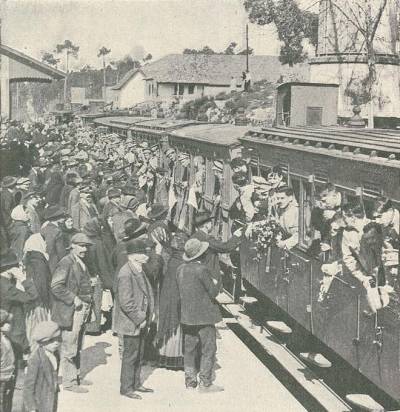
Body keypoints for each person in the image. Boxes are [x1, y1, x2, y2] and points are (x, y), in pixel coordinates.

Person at [176, 238, 223, 392]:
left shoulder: (180, 269)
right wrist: (215, 282)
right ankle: (205, 383)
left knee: (189, 349)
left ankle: (190, 381)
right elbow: (213, 292)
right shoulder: (202, 270)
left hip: (187, 317)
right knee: (208, 349)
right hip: (204, 317)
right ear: (201, 255)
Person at [51, 233, 94, 393]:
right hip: (70, 311)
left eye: (86, 246)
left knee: (77, 344)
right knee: (69, 345)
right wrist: (73, 298)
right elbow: (56, 286)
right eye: (81, 246)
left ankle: (74, 376)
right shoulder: (66, 262)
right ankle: (69, 382)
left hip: (81, 310)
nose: (85, 249)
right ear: (72, 245)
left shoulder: (79, 261)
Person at [113, 239, 155, 400]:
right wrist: (139, 318)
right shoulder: (126, 273)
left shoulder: (138, 268)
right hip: (132, 322)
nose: (147, 255)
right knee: (130, 355)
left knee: (139, 354)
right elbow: (126, 302)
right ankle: (126, 388)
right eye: (143, 253)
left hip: (141, 320)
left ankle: (136, 383)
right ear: (133, 256)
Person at [156, 231, 188, 369]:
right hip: (176, 299)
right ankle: (174, 357)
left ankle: (163, 355)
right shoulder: (182, 262)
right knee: (176, 326)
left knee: (166, 322)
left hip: (166, 296)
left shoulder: (171, 259)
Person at [190, 211, 242, 288]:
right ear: (206, 225)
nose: (212, 225)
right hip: (206, 277)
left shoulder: (194, 236)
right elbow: (225, 247)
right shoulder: (207, 239)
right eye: (211, 223)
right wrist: (236, 236)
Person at [23, 233, 53, 354]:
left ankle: (33, 352)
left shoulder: (29, 257)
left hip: (32, 298)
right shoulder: (39, 261)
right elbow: (42, 283)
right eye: (43, 242)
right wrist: (47, 302)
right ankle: (39, 353)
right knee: (40, 326)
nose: (45, 244)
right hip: (40, 300)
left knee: (32, 326)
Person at [23, 321, 61, 412]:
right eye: (51, 341)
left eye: (58, 339)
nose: (56, 343)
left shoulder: (56, 354)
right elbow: (28, 386)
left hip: (50, 399)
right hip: (38, 402)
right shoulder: (35, 359)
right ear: (41, 343)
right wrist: (31, 408)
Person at [341, 202, 371, 287]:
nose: (343, 220)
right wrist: (363, 277)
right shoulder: (347, 233)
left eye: (344, 217)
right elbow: (348, 259)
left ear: (352, 217)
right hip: (367, 277)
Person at [41, 206, 66, 274]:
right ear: (57, 218)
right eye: (62, 216)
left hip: (46, 260)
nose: (64, 218)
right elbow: (61, 251)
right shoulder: (57, 231)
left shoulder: (44, 229)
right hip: (56, 261)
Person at [274, 186, 299, 250]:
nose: (279, 201)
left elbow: (299, 235)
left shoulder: (297, 211)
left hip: (294, 246)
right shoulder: (279, 209)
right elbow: (278, 227)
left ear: (290, 198)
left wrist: (285, 243)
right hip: (284, 244)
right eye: (278, 198)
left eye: (282, 198)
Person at [0, 310, 15, 412]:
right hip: (2, 379)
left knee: (6, 404)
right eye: (6, 322)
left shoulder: (6, 339)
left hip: (7, 378)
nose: (9, 325)